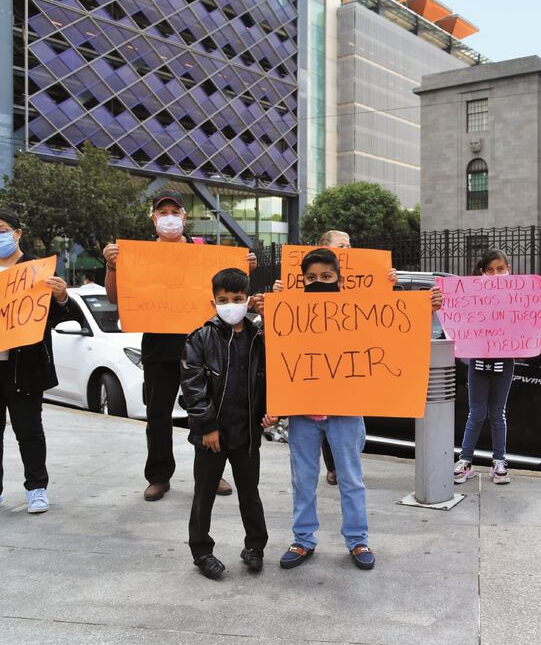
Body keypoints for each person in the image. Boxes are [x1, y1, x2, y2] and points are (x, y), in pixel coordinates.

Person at [267, 248, 441, 571]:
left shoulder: (354, 313)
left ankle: (358, 539)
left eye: (326, 277)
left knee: (350, 477)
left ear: (339, 280)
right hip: (302, 413)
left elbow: (398, 335)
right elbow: (272, 350)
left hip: (344, 412)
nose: (319, 282)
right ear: (301, 281)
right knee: (303, 478)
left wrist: (424, 311)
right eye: (311, 278)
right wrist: (271, 305)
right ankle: (303, 539)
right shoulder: (289, 312)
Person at [103, 190, 252, 501]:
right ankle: (158, 476)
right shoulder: (135, 255)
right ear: (154, 218)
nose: (169, 216)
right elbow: (115, 298)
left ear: (184, 217)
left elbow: (230, 292)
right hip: (159, 347)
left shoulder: (205, 254)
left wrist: (246, 266)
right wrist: (112, 266)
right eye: (162, 212)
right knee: (158, 414)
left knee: (209, 410)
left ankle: (211, 474)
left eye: (174, 211)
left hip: (202, 345)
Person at [181, 268, 271, 579]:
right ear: (213, 301)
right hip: (212, 436)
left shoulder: (261, 337)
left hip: (247, 434)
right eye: (223, 299)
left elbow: (274, 378)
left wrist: (272, 412)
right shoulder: (200, 338)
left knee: (250, 493)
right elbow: (193, 386)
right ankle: (201, 551)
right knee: (203, 494)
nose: (230, 304)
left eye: (237, 298)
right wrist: (207, 426)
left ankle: (255, 547)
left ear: (249, 300)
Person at [453, 249, 541, 485]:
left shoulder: (517, 298)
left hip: (504, 362)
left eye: (501, 269)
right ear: (482, 273)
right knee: (476, 413)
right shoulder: (474, 296)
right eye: (490, 270)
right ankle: (465, 460)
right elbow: (457, 316)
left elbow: (530, 323)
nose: (496, 274)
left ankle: (499, 461)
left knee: (498, 413)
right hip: (477, 362)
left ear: (509, 271)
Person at [0, 209, 79, 513]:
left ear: (17, 234)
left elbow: (59, 317)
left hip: (24, 365)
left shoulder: (36, 270)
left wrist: (61, 297)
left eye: (3, 229)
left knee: (29, 430)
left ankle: (36, 487)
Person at [315, 229, 397, 487]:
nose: (348, 250)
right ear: (325, 249)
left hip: (351, 359)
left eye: (350, 245)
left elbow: (380, 312)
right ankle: (334, 467)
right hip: (319, 358)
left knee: (350, 416)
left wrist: (387, 285)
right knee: (324, 414)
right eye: (342, 246)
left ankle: (347, 461)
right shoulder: (311, 278)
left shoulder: (363, 279)